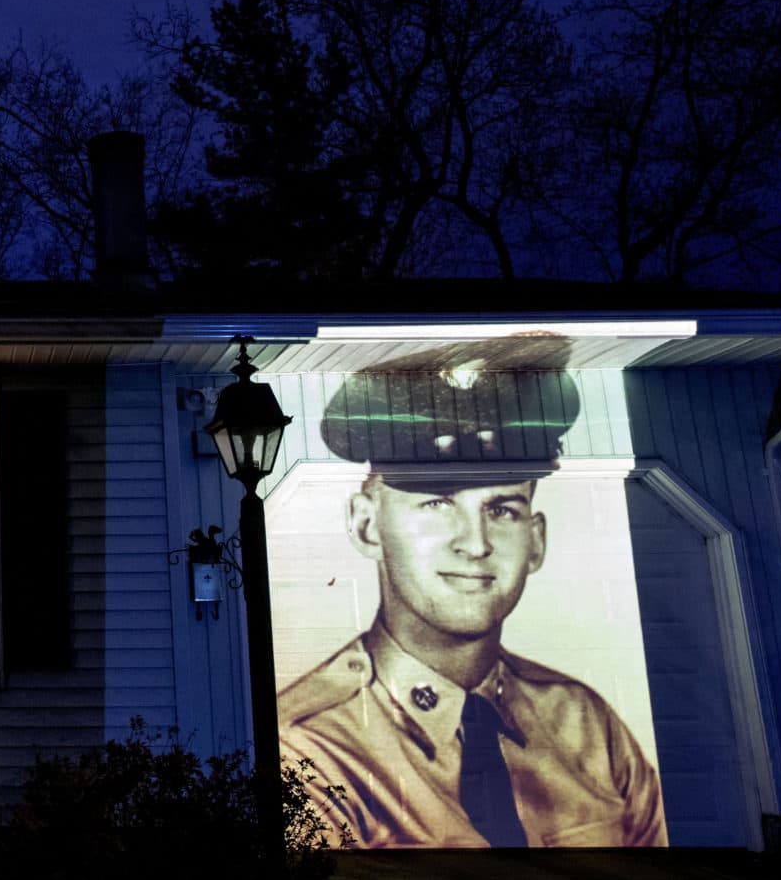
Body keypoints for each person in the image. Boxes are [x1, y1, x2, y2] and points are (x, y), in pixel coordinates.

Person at [280, 336, 667, 849]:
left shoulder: (586, 725)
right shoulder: (310, 747)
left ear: (536, 540)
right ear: (368, 525)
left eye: (503, 509)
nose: (476, 543)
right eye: (439, 503)